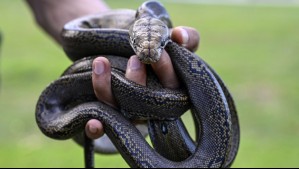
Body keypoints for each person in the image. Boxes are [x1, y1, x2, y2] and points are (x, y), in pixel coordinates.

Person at [26, 0, 200, 140]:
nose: (146, 55)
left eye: (161, 44)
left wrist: (99, 31)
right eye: (137, 45)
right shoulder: (144, 30)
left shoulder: (148, 28)